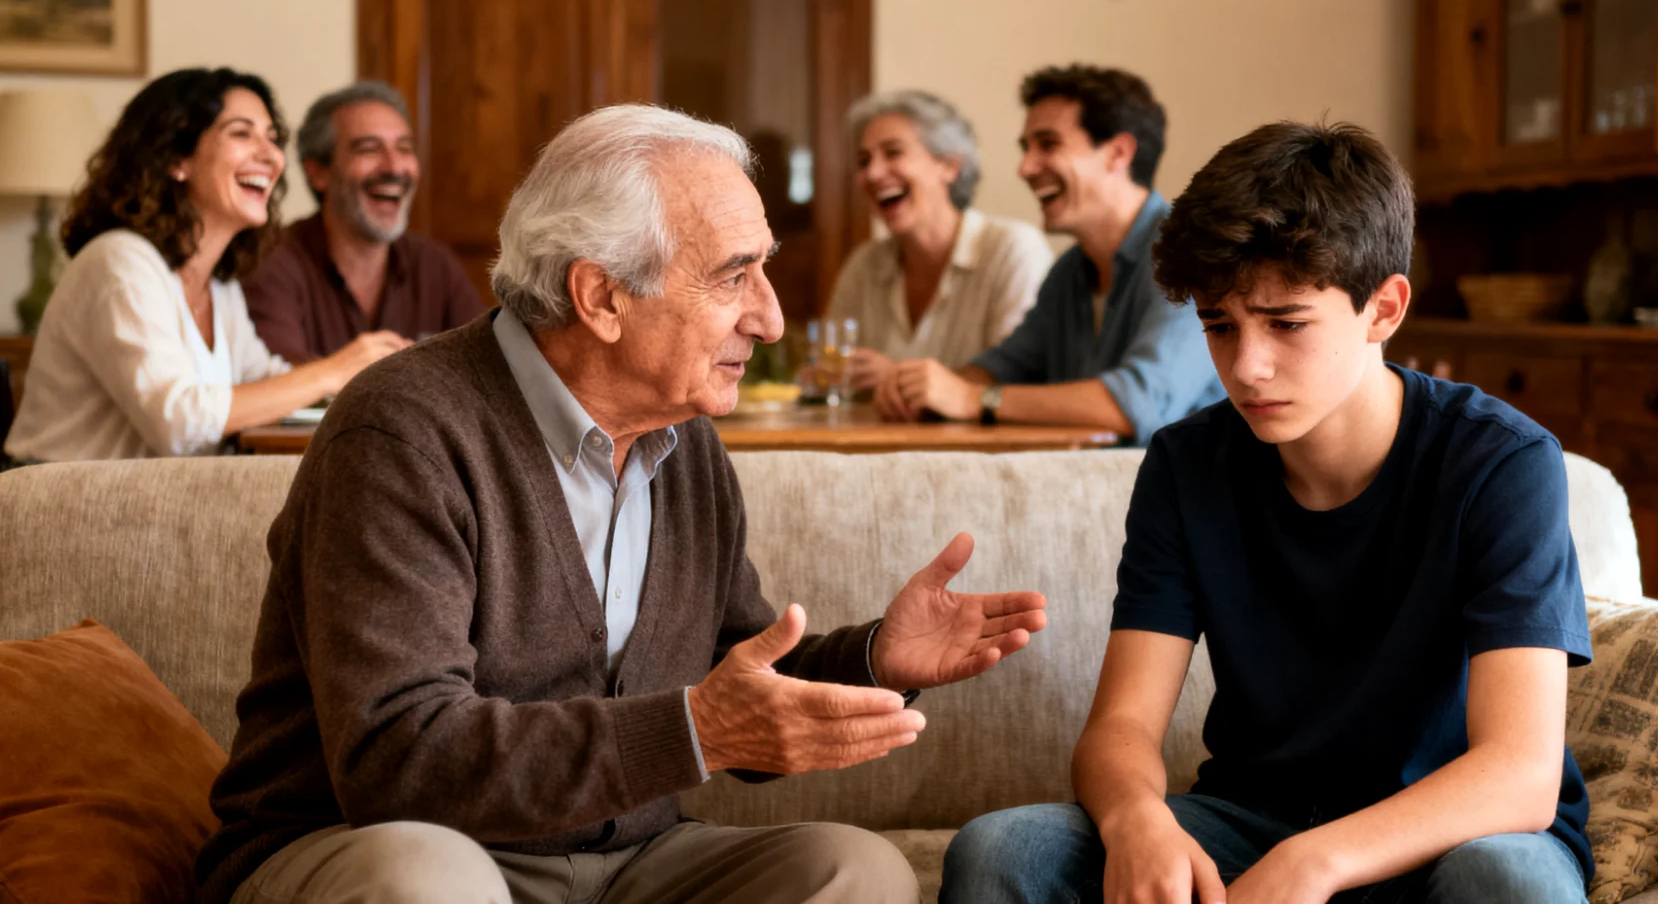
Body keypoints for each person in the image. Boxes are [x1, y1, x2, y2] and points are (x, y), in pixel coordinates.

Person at [194, 104, 1049, 904]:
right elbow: (398, 759)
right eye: (734, 276)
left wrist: (872, 659)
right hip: (377, 841)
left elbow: (728, 676)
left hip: (621, 862)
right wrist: (696, 733)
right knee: (429, 877)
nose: (772, 318)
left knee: (854, 871)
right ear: (601, 295)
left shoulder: (685, 439)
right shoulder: (404, 430)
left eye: (765, 271)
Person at [938, 121, 1594, 904]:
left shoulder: (1501, 462)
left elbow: (1520, 773)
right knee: (1003, 850)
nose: (1246, 367)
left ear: (1383, 308)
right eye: (1220, 325)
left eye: (1286, 323)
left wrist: (1314, 861)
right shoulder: (1187, 465)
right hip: (1254, 815)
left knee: (1509, 882)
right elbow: (1119, 729)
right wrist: (1137, 817)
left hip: (1453, 832)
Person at [3, 68, 406, 463]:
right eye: (241, 133)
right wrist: (333, 371)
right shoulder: (118, 262)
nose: (272, 156)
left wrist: (366, 375)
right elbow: (178, 422)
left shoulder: (218, 285)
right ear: (177, 158)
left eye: (271, 138)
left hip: (147, 509)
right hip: (61, 511)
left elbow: (263, 379)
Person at [877, 65, 1221, 444]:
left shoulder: (1190, 251)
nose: (1025, 168)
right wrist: (924, 391)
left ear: (1118, 153)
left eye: (1048, 144)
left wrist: (972, 398)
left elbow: (1140, 402)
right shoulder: (1070, 270)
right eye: (1026, 149)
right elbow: (1005, 366)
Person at [242, 80, 486, 363]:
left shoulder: (435, 266)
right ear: (318, 173)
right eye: (369, 149)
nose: (394, 167)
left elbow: (486, 370)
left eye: (405, 148)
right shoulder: (271, 261)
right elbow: (281, 382)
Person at [828, 90, 1053, 391]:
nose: (873, 172)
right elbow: (831, 370)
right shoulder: (864, 265)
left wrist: (895, 379)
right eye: (863, 160)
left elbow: (1018, 379)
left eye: (893, 153)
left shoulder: (1013, 249)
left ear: (949, 166)